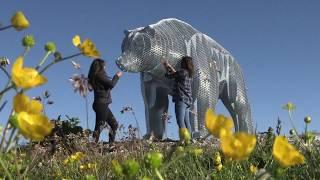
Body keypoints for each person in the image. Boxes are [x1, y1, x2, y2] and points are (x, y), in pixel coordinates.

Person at [88, 58, 123, 143]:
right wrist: (117, 76)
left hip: (101, 104)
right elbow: (111, 84)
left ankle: (111, 147)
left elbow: (107, 86)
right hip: (101, 104)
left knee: (114, 125)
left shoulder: (97, 76)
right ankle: (92, 147)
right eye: (104, 65)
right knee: (100, 126)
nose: (105, 67)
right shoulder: (99, 75)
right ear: (100, 66)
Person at [162, 56, 194, 139]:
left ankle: (184, 139)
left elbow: (170, 76)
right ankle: (189, 139)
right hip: (188, 100)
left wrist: (166, 66)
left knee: (180, 121)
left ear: (184, 63)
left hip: (181, 99)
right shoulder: (188, 74)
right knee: (187, 122)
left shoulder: (182, 72)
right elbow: (176, 74)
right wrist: (170, 67)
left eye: (181, 62)